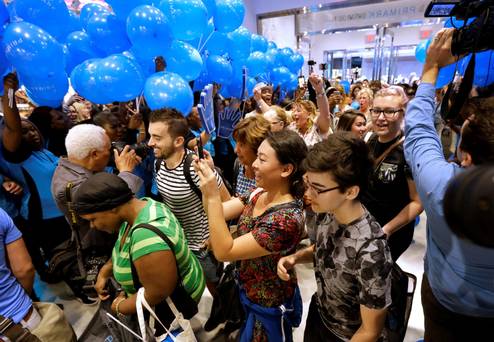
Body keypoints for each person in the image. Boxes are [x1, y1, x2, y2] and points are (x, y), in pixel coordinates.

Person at [404, 28, 494, 341]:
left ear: (466, 157)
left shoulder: (442, 186)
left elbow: (418, 133)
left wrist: (430, 69)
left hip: (447, 304)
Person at [277, 132, 393, 341]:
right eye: (307, 183)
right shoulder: (328, 211)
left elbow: (370, 331)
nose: (308, 194)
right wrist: (296, 257)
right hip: (320, 315)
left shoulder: (371, 251)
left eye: (318, 188)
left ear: (350, 192)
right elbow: (326, 248)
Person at [194, 130, 308, 341]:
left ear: (286, 169)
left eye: (262, 159)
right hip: (247, 290)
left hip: (268, 303)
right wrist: (210, 182)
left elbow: (224, 252)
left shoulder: (285, 219)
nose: (254, 164)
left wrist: (211, 195)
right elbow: (219, 210)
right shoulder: (259, 192)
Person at [73, 173, 205, 334]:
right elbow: (124, 248)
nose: (93, 226)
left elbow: (158, 292)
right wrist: (105, 271)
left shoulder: (147, 237)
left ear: (113, 207)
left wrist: (119, 307)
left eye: (93, 219)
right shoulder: (144, 206)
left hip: (169, 312)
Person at [147, 108, 229, 294]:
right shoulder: (158, 162)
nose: (150, 143)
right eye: (151, 136)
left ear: (178, 141)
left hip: (203, 247)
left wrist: (214, 236)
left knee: (217, 288)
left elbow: (227, 201)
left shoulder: (195, 168)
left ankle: (225, 316)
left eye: (157, 138)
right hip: (180, 242)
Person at [361, 86, 423, 261]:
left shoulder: (409, 150)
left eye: (389, 112)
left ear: (402, 114)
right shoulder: (369, 140)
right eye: (377, 111)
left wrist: (387, 230)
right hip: (364, 227)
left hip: (391, 233)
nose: (381, 118)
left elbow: (418, 202)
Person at [231, 116, 271, 197]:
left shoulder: (268, 179)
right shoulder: (239, 165)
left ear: (257, 146)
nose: (236, 150)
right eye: (236, 143)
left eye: (241, 145)